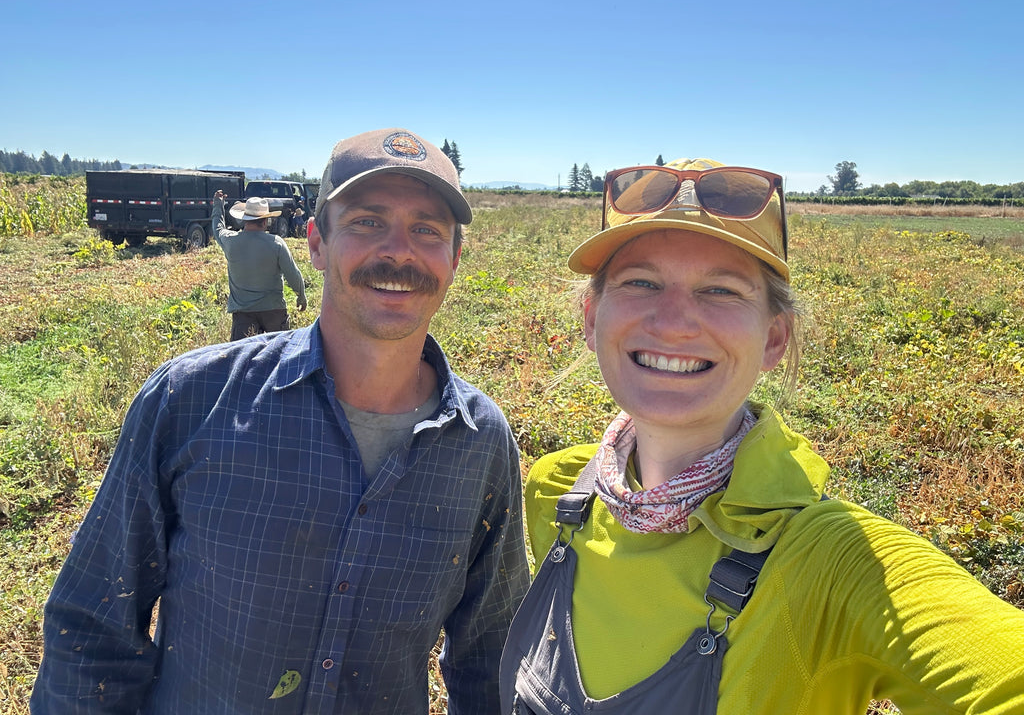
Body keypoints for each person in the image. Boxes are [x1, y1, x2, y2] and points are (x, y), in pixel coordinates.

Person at [32, 128, 531, 714]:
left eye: (427, 229)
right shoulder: (192, 399)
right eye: (367, 222)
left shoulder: (480, 441)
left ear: (454, 258)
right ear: (316, 243)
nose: (399, 250)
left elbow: (491, 655)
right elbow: (92, 626)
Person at [499, 158, 1024, 714]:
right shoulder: (559, 490)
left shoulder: (830, 564)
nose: (673, 321)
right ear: (591, 317)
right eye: (641, 282)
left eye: (720, 290)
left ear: (774, 338)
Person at [211, 190, 307, 341]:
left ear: (244, 220)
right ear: (264, 221)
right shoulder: (276, 243)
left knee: (242, 354)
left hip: (243, 314)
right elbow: (293, 274)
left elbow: (217, 228)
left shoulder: (230, 241)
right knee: (278, 352)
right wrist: (301, 296)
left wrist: (218, 204)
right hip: (274, 311)